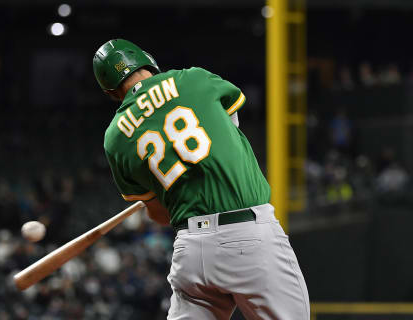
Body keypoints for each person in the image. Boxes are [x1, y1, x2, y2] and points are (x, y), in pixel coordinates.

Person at [93, 39, 309, 320]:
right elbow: (231, 121)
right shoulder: (192, 79)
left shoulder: (115, 138)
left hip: (191, 250)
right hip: (248, 236)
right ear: (147, 61)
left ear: (110, 92)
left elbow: (159, 215)